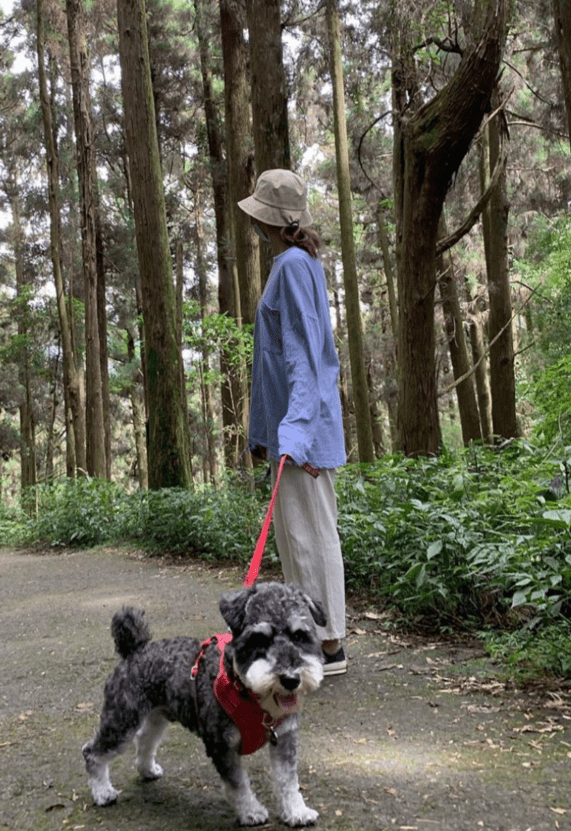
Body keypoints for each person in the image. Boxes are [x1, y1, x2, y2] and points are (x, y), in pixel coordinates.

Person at [238, 168, 348, 676]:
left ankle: (327, 645)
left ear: (272, 224)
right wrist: (267, 432)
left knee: (310, 536)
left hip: (300, 432)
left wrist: (296, 433)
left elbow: (305, 356)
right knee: (296, 538)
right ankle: (313, 639)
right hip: (291, 427)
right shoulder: (296, 265)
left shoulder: (291, 267)